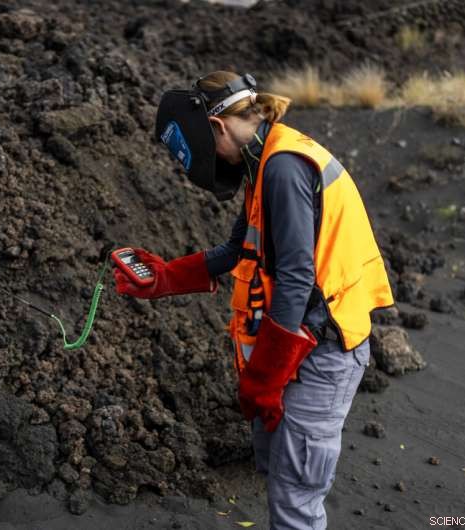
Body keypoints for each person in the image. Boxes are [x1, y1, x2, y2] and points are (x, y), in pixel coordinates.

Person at [113, 70, 394, 529]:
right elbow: (236, 248)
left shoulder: (283, 167)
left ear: (218, 128)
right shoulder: (262, 160)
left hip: (323, 350)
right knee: (273, 463)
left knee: (295, 498)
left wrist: (264, 378)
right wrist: (165, 277)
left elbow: (298, 277)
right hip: (296, 341)